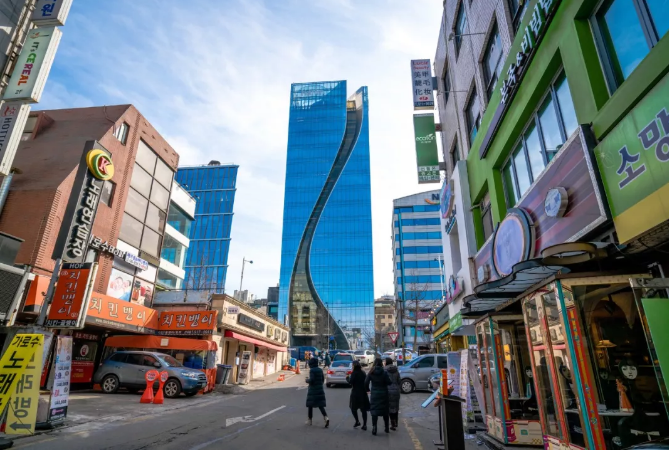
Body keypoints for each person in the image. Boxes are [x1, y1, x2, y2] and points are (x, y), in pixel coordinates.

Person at [365, 357, 391, 435]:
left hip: (374, 394)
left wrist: (368, 390)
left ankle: (374, 428)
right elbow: (389, 382)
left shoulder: (371, 372)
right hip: (384, 394)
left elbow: (366, 382)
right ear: (381, 364)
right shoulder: (384, 372)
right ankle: (386, 427)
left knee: (374, 411)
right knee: (385, 411)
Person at [305, 357, 329, 427]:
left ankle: (309, 420)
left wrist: (307, 380)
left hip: (313, 390)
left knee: (310, 405)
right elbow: (322, 380)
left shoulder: (312, 370)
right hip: (320, 389)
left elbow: (312, 380)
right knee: (320, 405)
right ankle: (326, 417)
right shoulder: (320, 370)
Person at [348, 360, 370, 430]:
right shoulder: (363, 372)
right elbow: (366, 382)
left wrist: (347, 378)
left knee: (353, 408)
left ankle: (357, 421)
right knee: (363, 410)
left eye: (352, 365)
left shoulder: (354, 373)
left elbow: (350, 382)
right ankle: (365, 424)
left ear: (354, 366)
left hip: (355, 393)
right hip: (363, 393)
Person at [385, 357, 401, 430]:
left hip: (388, 390)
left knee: (390, 407)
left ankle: (392, 422)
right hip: (396, 390)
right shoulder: (396, 370)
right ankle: (396, 422)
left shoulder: (385, 370)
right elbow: (399, 381)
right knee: (396, 406)